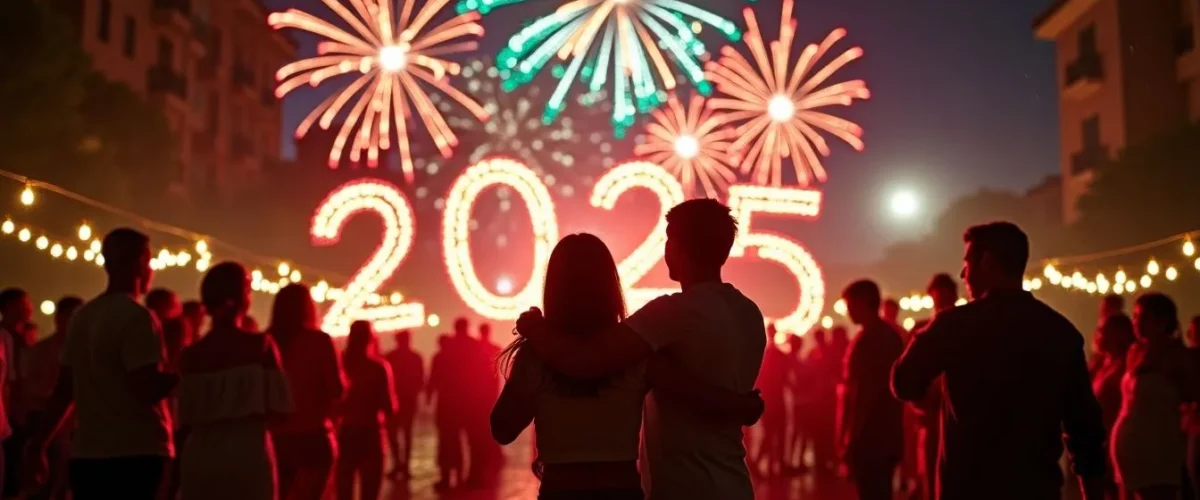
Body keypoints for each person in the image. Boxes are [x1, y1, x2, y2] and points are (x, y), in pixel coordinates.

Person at [514, 199, 767, 499]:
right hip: (735, 482)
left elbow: (584, 361)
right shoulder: (749, 314)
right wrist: (742, 407)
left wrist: (535, 328)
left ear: (678, 246)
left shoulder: (671, 313)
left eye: (669, 238)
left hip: (685, 486)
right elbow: (692, 388)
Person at [891, 222, 1107, 500]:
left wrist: (925, 349)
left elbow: (903, 382)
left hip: (968, 489)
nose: (963, 274)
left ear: (988, 262)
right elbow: (1084, 428)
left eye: (967, 263)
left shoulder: (954, 326)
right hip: (1035, 489)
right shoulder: (1059, 332)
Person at [26, 228, 179, 500]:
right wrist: (182, 374)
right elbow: (145, 387)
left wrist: (38, 443)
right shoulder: (138, 317)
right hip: (136, 452)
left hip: (88, 453)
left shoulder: (83, 317)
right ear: (140, 263)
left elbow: (64, 390)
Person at [177, 262, 293, 500]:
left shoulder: (190, 355)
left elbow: (184, 416)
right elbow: (281, 409)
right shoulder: (261, 346)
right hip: (247, 453)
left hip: (200, 455)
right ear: (241, 297)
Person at [1111, 293, 1198, 500]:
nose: (1136, 322)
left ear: (1162, 320)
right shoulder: (1134, 351)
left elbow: (1193, 395)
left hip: (1157, 448)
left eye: (1142, 317)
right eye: (1134, 316)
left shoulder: (1178, 356)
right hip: (1128, 448)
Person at [267, 283, 344, 500]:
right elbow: (336, 389)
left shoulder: (264, 342)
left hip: (274, 437)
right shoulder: (319, 341)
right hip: (312, 435)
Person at [837, 280, 904, 500]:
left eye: (850, 304)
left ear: (863, 302)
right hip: (884, 436)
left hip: (872, 438)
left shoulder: (870, 340)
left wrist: (850, 438)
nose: (847, 311)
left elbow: (863, 395)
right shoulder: (886, 336)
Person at [25, 296, 83, 500]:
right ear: (59, 318)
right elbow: (34, 390)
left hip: (77, 427)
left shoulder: (84, 351)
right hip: (49, 423)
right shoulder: (42, 350)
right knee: (49, 483)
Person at [336, 321, 399, 500]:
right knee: (370, 491)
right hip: (371, 432)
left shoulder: (342, 364)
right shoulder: (378, 368)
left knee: (344, 490)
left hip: (346, 431)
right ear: (371, 339)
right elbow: (390, 407)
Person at [909, 273, 958, 500]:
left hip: (957, 419)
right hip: (931, 416)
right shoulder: (924, 330)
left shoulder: (965, 325)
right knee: (930, 477)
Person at [1091, 313, 1134, 499]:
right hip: (1098, 440)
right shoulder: (1100, 363)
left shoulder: (1126, 364)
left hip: (1115, 439)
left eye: (1103, 331)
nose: (1098, 335)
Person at [0, 288, 35, 498]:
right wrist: (13, 414)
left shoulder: (23, 336)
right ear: (9, 307)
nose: (29, 307)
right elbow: (10, 382)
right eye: (24, 303)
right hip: (13, 413)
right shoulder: (5, 336)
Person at [426, 334, 465, 490]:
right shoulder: (458, 359)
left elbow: (432, 379)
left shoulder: (438, 358)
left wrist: (429, 397)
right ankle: (459, 475)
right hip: (457, 405)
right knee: (456, 440)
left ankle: (445, 476)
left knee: (444, 440)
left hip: (444, 404)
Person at [384, 330, 423, 478]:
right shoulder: (415, 357)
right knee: (405, 434)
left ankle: (400, 464)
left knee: (396, 434)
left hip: (399, 400)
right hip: (407, 400)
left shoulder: (390, 357)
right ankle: (403, 465)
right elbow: (420, 380)